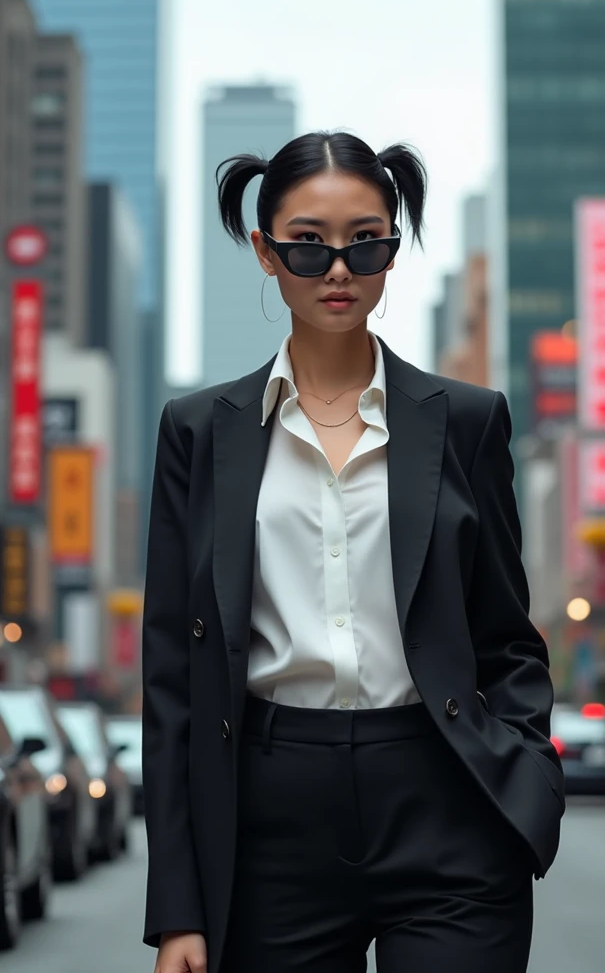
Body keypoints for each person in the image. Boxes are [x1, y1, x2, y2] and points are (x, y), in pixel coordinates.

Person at [142, 131, 565, 973]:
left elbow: (506, 636)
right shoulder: (196, 432)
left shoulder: (469, 418)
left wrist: (525, 770)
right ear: (265, 252)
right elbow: (172, 680)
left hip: (447, 804)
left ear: (392, 251)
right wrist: (178, 910)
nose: (338, 267)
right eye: (307, 245)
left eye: (365, 241)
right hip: (268, 819)